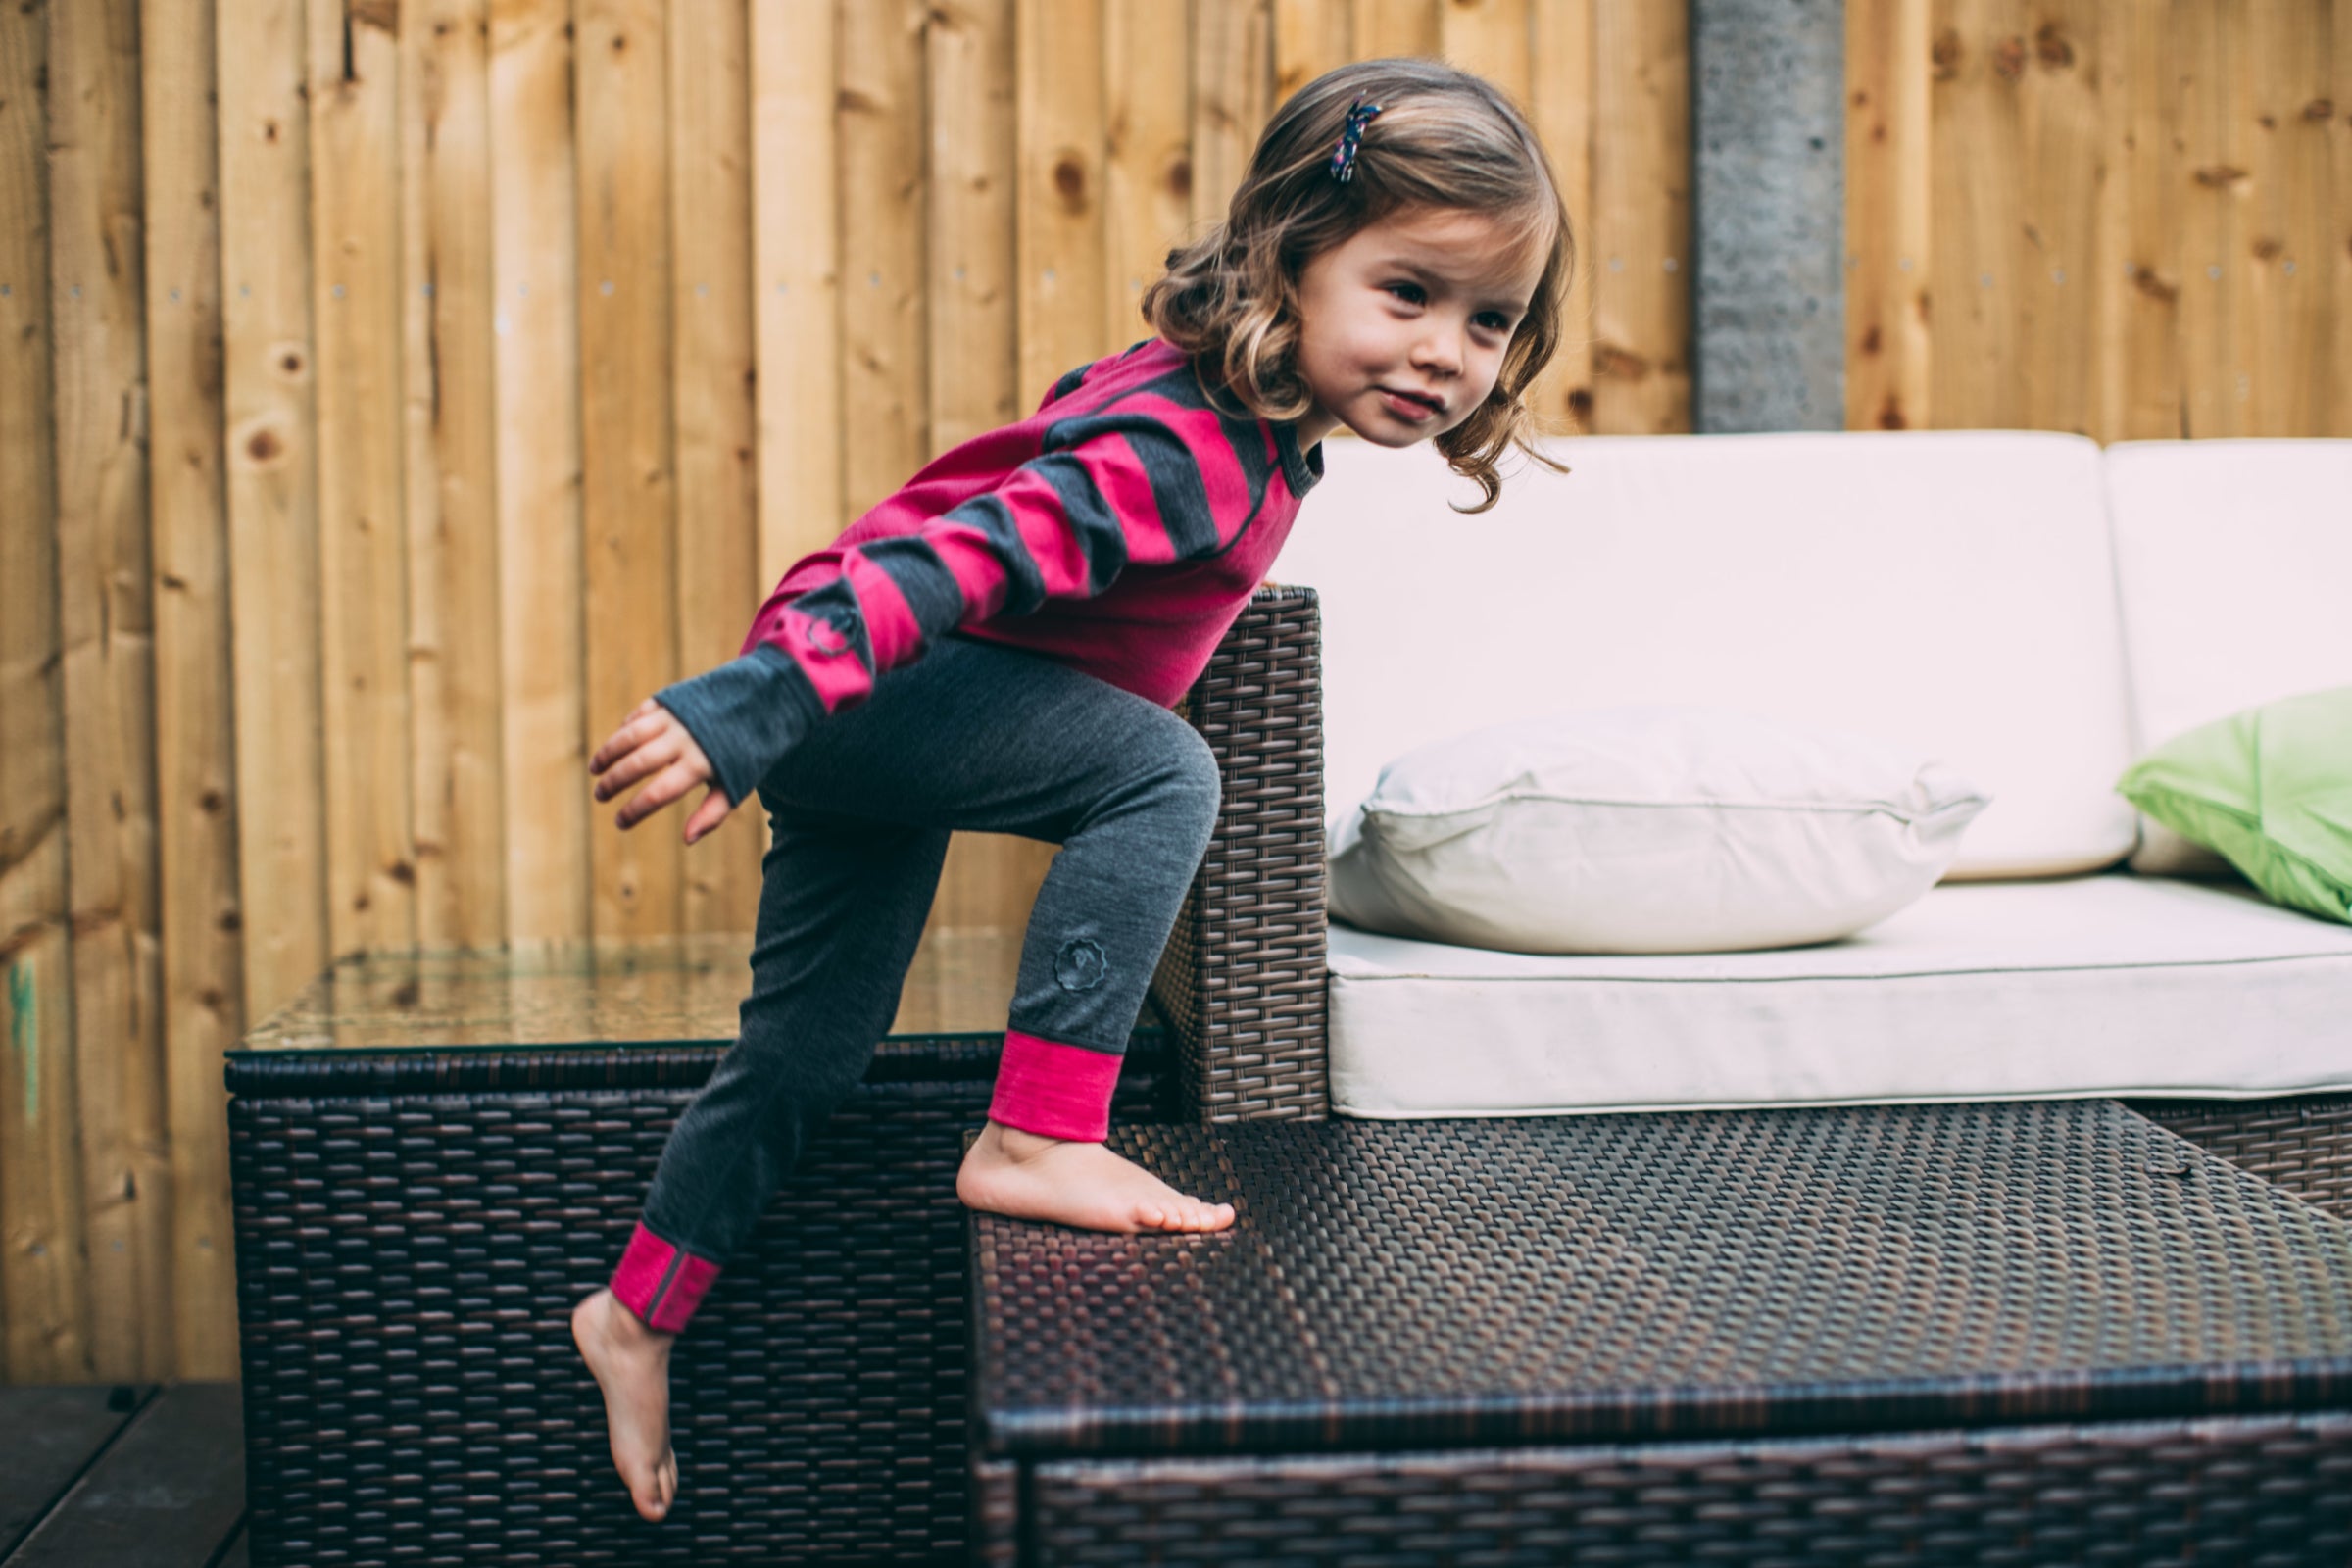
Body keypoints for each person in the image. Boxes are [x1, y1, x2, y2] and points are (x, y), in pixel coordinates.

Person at [570, 55, 1578, 1524]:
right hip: (862, 685)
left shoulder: (1256, 421)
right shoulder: (1187, 446)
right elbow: (959, 555)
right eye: (1408, 291)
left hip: (879, 714)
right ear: (1290, 258)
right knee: (1163, 771)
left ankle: (638, 1311)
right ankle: (1038, 1129)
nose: (1446, 351)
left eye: (1489, 321)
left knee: (801, 1058)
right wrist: (760, 702)